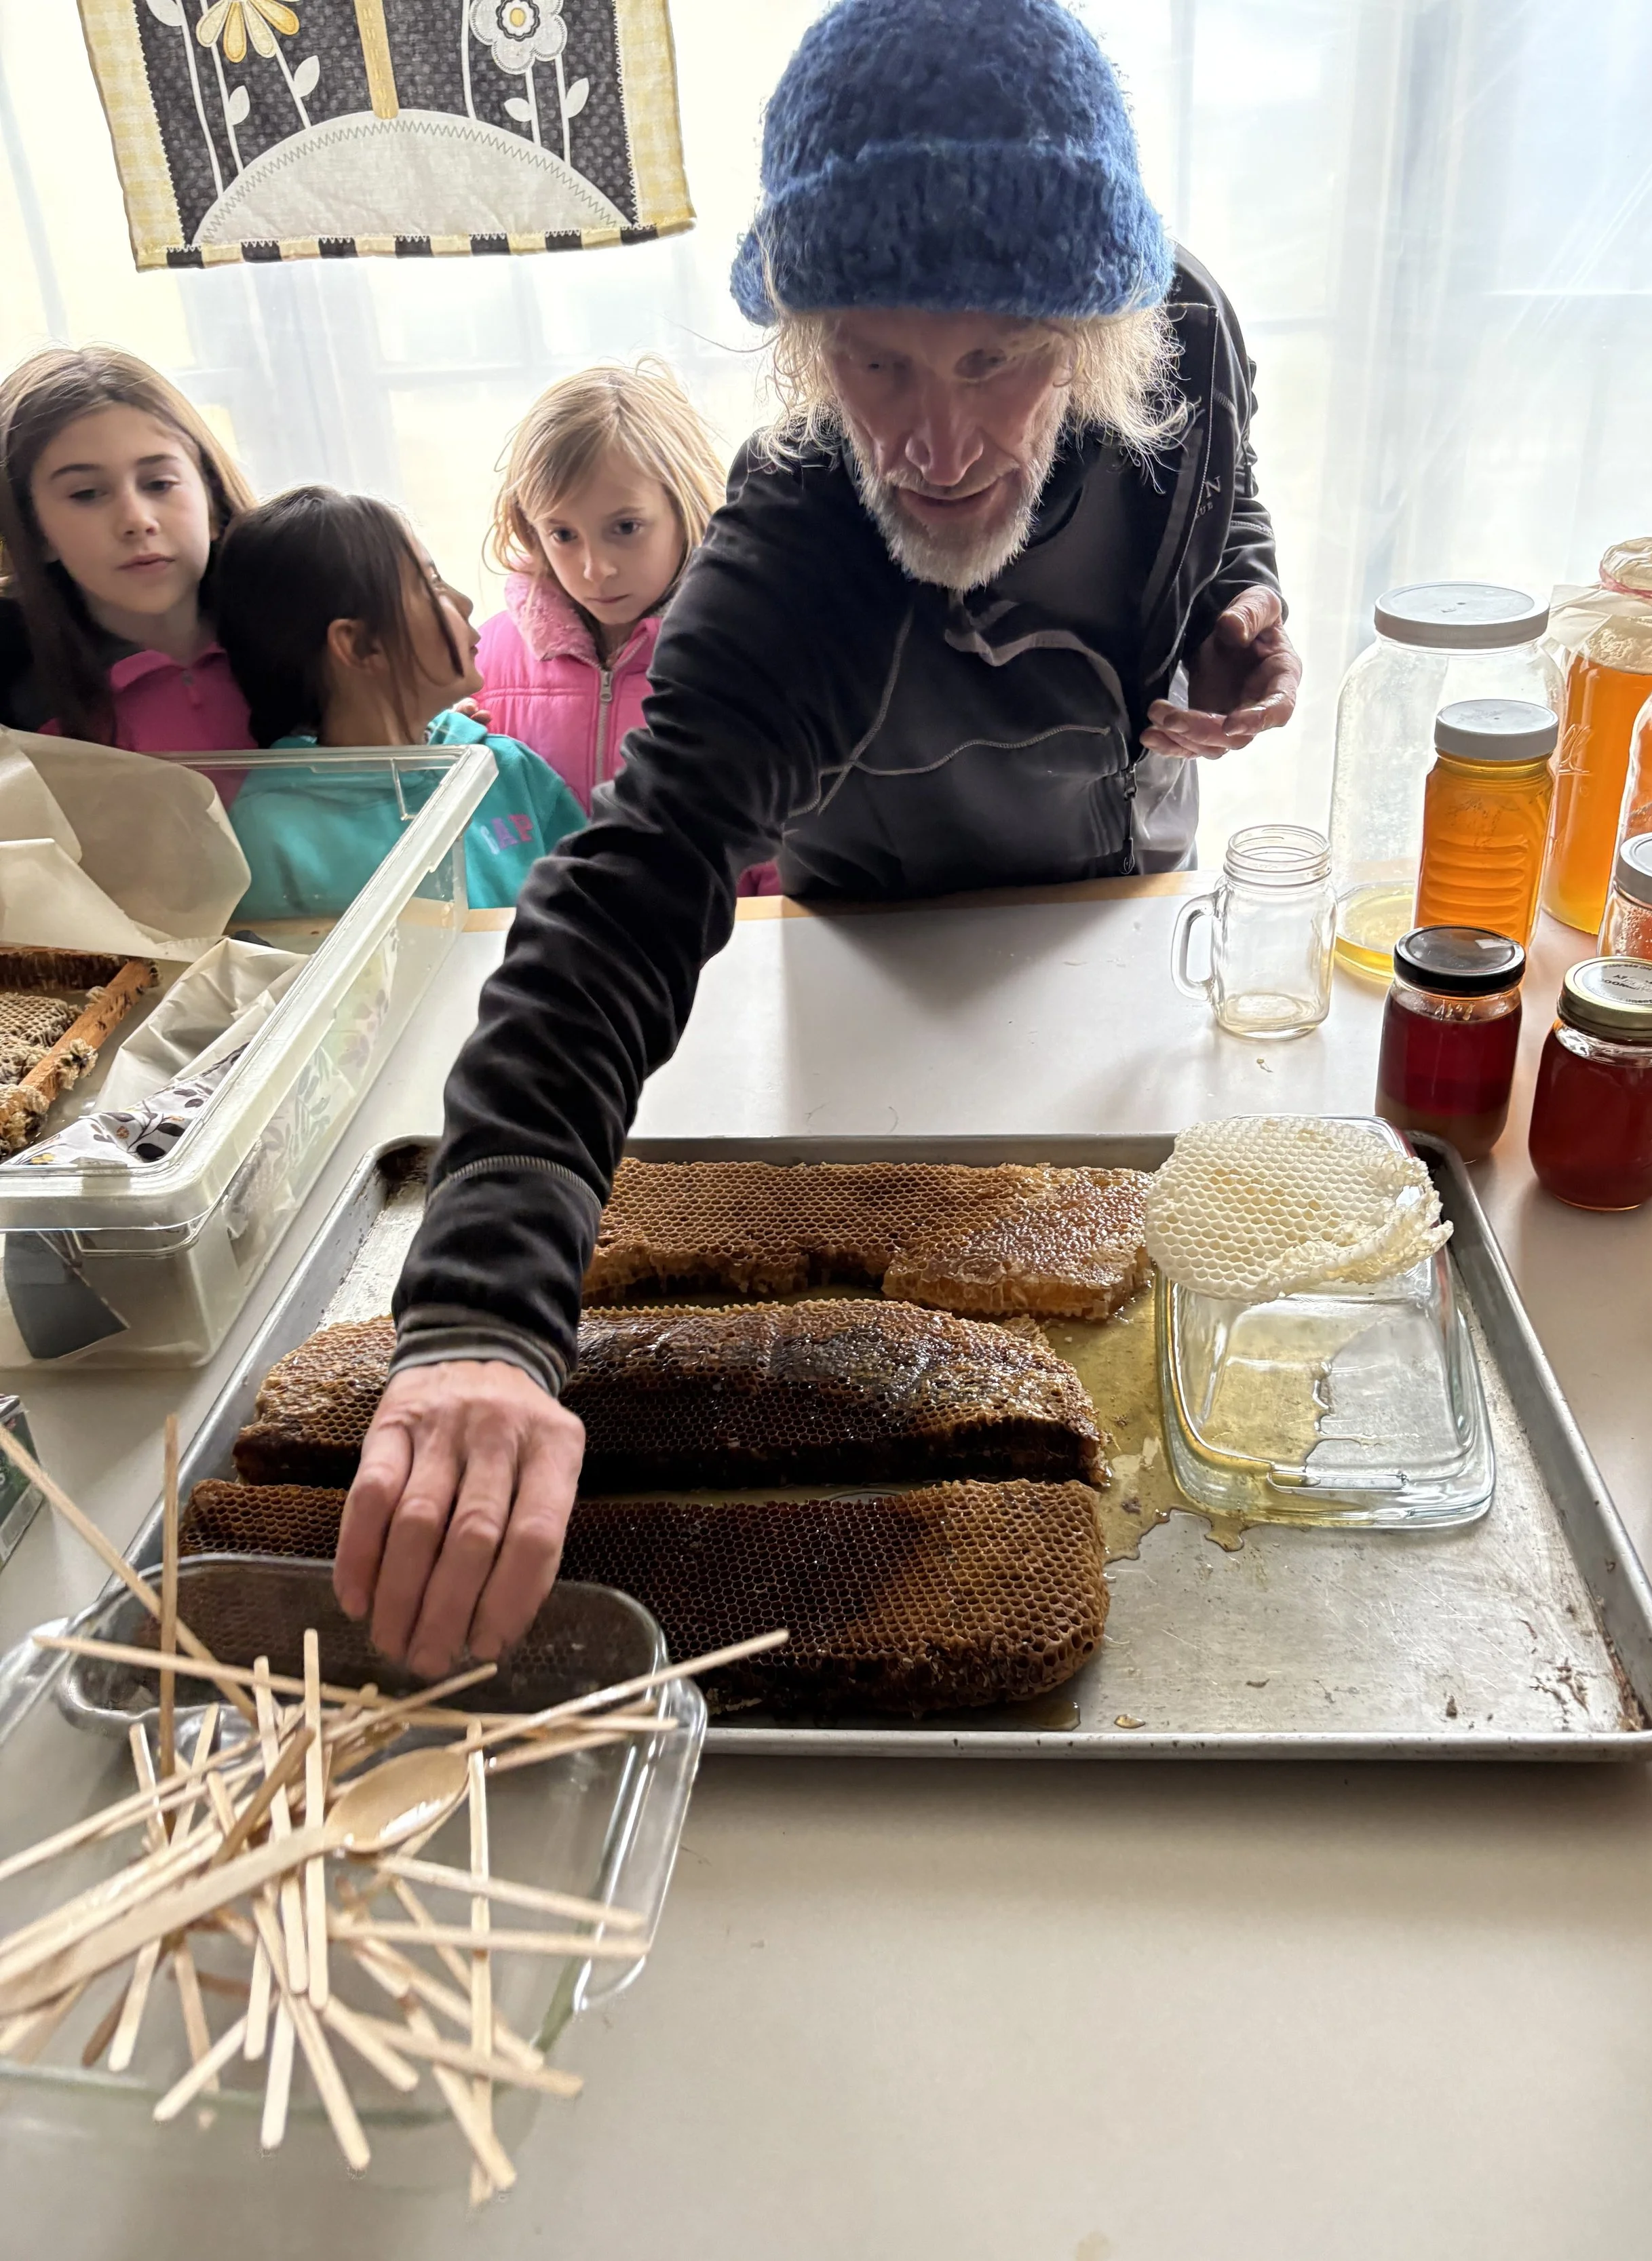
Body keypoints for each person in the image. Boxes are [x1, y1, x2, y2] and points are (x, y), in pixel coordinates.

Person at [333, 0, 1303, 1680]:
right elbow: (626, 892)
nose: (931, 444)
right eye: (875, 358)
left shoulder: (1183, 323)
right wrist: (482, 1317)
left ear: (1096, 330)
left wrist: (1237, 601)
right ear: (801, 344)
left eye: (996, 357)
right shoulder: (804, 534)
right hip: (871, 951)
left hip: (1114, 902)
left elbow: (1220, 492)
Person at [479, 356, 781, 895]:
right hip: (544, 962)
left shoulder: (749, 652)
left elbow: (781, 857)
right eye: (563, 534)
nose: (596, 569)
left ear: (684, 504)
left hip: (715, 959)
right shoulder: (488, 658)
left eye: (625, 527)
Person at [214, 487, 585, 919]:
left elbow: (603, 918)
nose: (464, 603)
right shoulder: (271, 832)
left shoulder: (508, 770)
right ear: (358, 645)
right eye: (430, 583)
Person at [0, 345, 254, 787]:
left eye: (159, 483)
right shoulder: (22, 709)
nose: (137, 520)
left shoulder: (316, 641)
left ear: (211, 501)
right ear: (35, 533)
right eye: (86, 494)